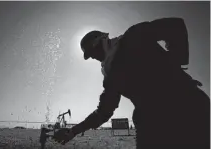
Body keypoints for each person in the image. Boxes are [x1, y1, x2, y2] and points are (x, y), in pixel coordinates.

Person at [53, 17, 210, 149]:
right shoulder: (110, 77)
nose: (93, 57)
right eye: (89, 55)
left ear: (101, 41)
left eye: (92, 52)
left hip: (188, 106)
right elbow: (103, 112)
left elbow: (175, 25)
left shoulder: (134, 35)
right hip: (153, 121)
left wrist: (177, 62)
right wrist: (73, 131)